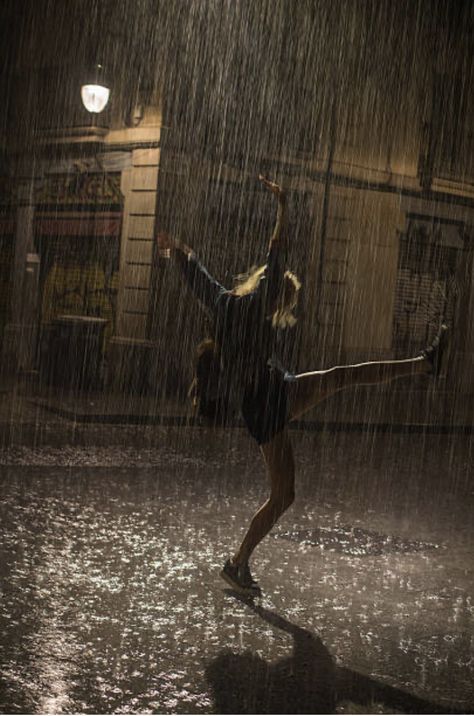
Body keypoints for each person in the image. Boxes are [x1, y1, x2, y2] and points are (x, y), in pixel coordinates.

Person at [160, 175, 448, 597]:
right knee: (283, 494)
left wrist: (175, 249)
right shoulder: (255, 304)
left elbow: (195, 270)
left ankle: (425, 363)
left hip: (271, 393)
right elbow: (274, 253)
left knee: (340, 378)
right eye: (281, 302)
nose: (278, 309)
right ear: (272, 293)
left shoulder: (225, 301)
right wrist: (283, 207)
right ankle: (237, 563)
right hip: (266, 405)